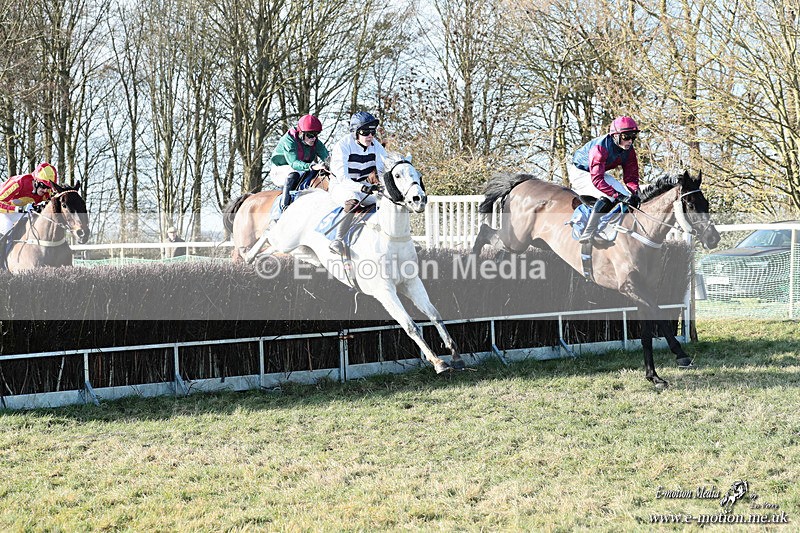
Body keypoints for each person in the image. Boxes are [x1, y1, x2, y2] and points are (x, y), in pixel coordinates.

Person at [569, 116, 642, 244]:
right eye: (626, 137)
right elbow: (597, 180)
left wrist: (635, 192)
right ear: (615, 135)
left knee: (627, 197)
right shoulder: (600, 149)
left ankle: (611, 228)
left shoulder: (629, 150)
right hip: (581, 172)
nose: (630, 141)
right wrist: (615, 194)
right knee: (609, 196)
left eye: (633, 137)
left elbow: (631, 176)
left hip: (598, 172)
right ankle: (588, 232)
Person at [327, 111, 389, 255]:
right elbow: (343, 179)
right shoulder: (342, 145)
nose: (370, 136)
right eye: (365, 132)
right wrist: (362, 187)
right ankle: (338, 239)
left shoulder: (376, 146)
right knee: (353, 199)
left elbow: (382, 171)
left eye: (372, 132)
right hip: (340, 186)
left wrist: (384, 189)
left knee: (387, 199)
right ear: (355, 132)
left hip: (362, 186)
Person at [269, 114, 330, 213]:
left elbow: (327, 157)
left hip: (301, 168)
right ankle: (285, 208)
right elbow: (294, 163)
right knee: (294, 173)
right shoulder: (289, 140)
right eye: (310, 135)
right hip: (281, 169)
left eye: (316, 134)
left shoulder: (316, 142)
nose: (313, 138)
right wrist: (313, 166)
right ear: (301, 133)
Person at [0, 163, 58, 247]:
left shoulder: (47, 192)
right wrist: (19, 209)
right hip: (3, 209)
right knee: (7, 226)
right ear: (36, 180)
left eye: (49, 187)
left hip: (16, 211)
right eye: (43, 186)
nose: (46, 190)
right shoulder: (18, 183)